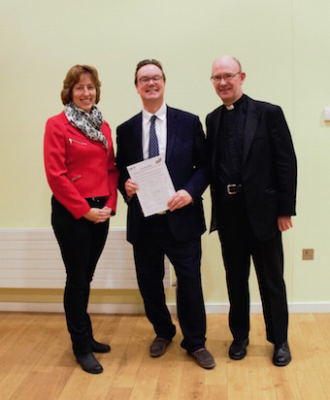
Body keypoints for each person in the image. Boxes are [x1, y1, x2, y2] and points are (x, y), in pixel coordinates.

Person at [116, 59, 215, 369]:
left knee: (189, 282)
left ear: (164, 82)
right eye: (144, 79)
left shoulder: (188, 122)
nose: (150, 83)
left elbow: (206, 166)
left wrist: (190, 191)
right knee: (149, 282)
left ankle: (195, 342)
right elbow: (120, 171)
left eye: (155, 77)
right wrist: (126, 186)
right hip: (144, 222)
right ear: (136, 87)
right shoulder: (127, 129)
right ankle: (163, 331)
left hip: (182, 219)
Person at [206, 56, 297, 367]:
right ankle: (239, 336)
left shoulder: (269, 113)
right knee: (235, 278)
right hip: (230, 215)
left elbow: (286, 163)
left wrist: (285, 210)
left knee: (272, 279)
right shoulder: (213, 119)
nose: (222, 82)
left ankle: (280, 340)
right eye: (216, 77)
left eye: (228, 76)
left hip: (265, 214)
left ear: (241, 77)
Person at [44, 65, 118, 374]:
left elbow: (111, 169)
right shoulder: (56, 125)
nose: (86, 92)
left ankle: (85, 335)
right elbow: (56, 176)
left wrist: (110, 206)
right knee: (76, 279)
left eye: (90, 87)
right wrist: (84, 210)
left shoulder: (104, 127)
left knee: (85, 277)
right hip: (72, 213)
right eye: (79, 88)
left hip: (101, 212)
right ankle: (81, 346)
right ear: (69, 92)